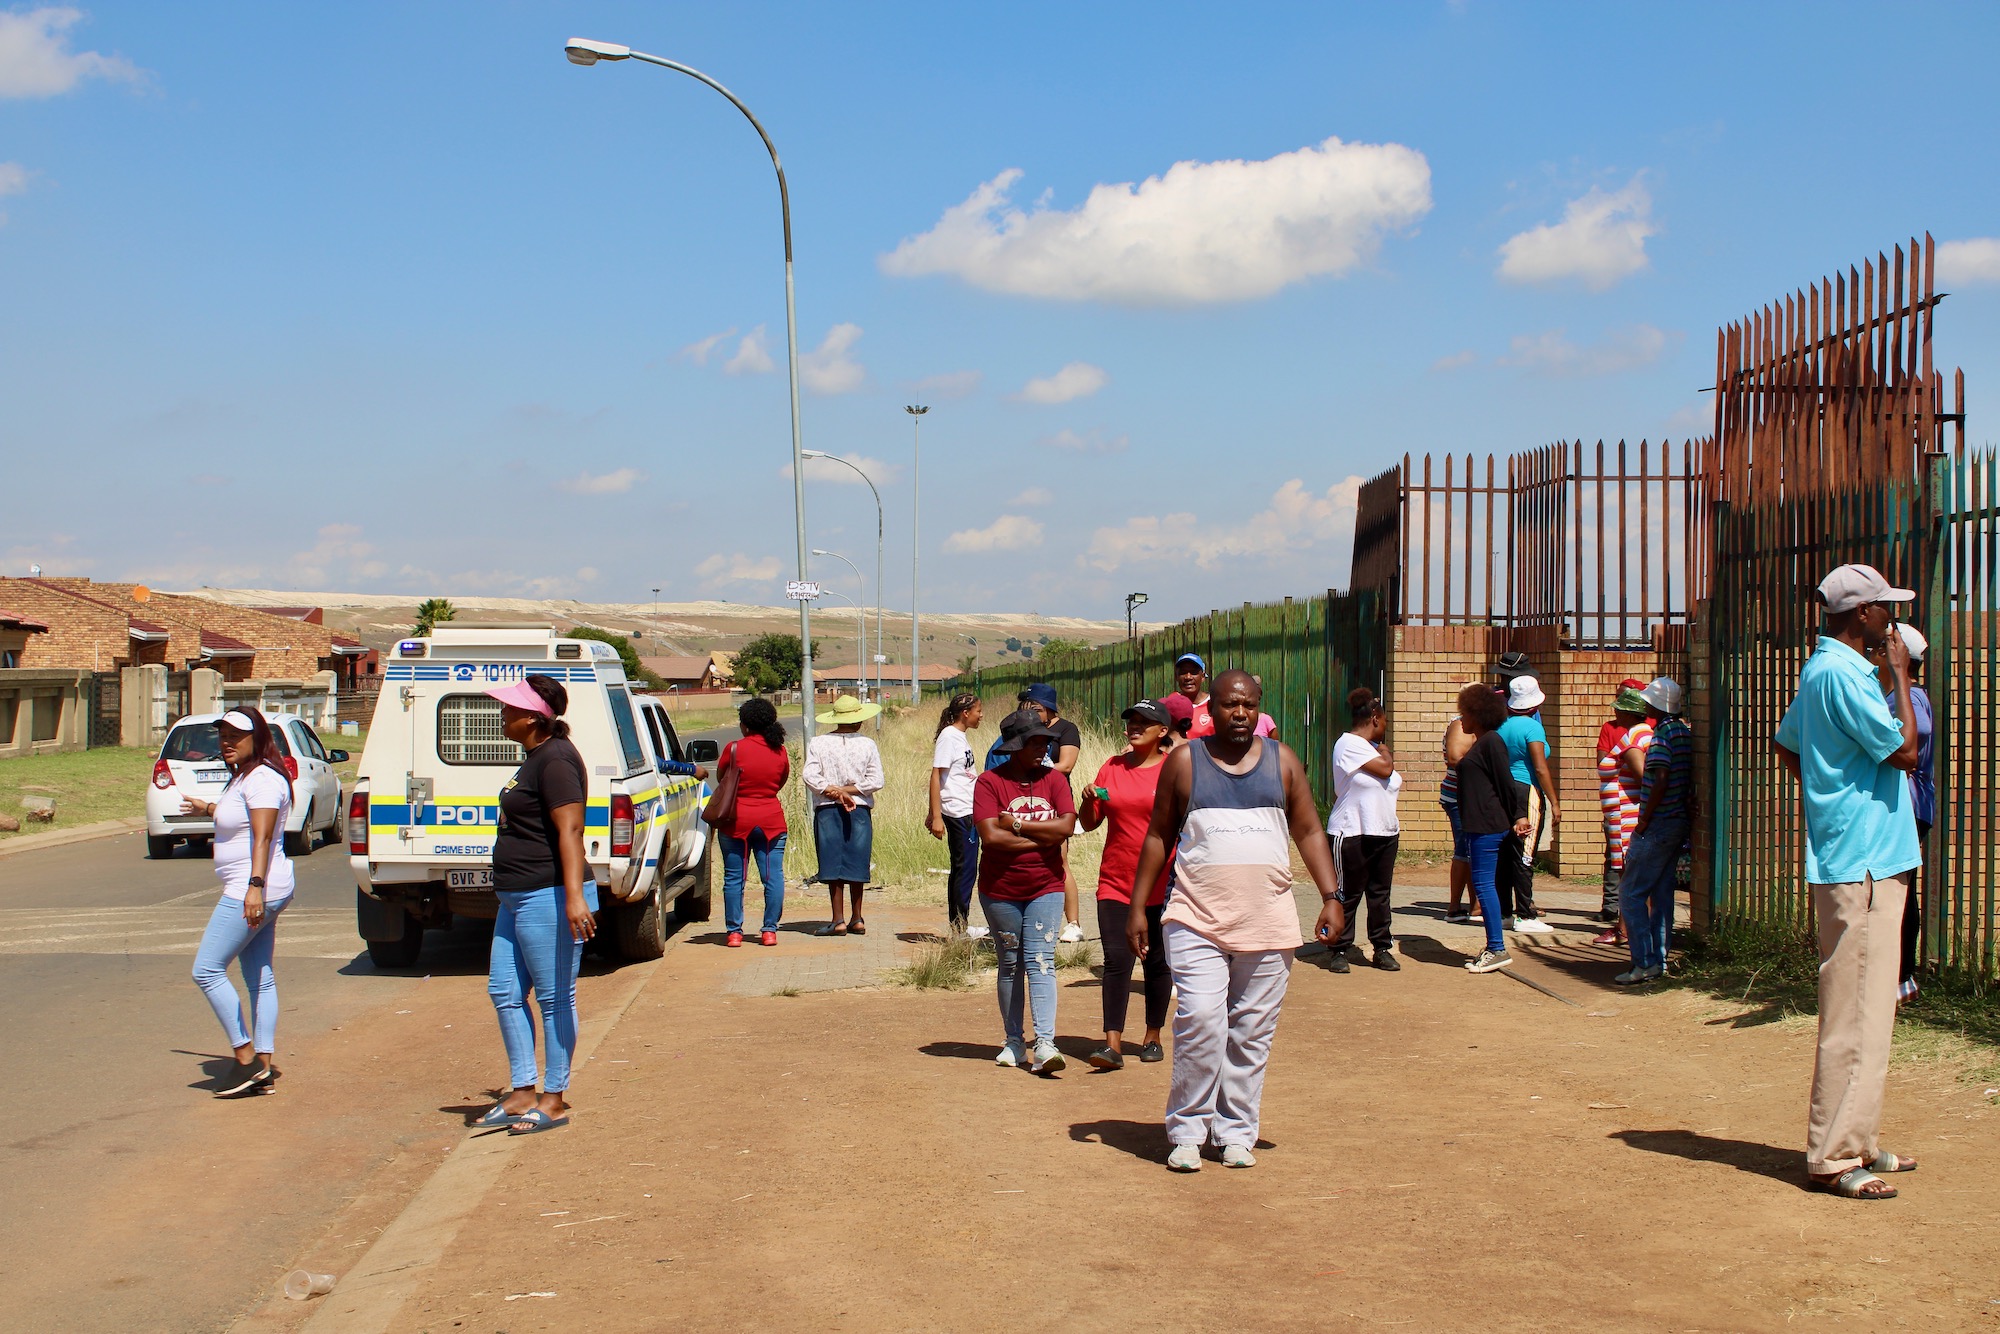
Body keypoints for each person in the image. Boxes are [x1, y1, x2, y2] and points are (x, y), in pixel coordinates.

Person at [1127, 670, 1344, 1171]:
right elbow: (1159, 835)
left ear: (1259, 707)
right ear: (1212, 709)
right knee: (1201, 1020)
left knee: (1251, 1031)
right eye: (1229, 704)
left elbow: (1309, 829)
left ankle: (1236, 1132)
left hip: (1267, 920)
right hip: (1195, 917)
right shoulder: (1185, 761)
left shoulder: (1282, 761)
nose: (1239, 713)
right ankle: (1187, 1129)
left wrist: (1332, 896)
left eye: (1247, 704)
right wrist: (1139, 905)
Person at [1774, 563, 1923, 1199]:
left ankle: (1855, 1139)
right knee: (1856, 1013)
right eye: (1884, 608)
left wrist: (1832, 793)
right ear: (1861, 614)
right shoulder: (1846, 674)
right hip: (1863, 863)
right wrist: (1901, 676)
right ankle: (1835, 1157)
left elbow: (1786, 748)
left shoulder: (1822, 672)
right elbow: (1908, 753)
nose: (1890, 619)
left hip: (1857, 856)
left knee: (1868, 1011)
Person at [481, 675, 596, 1134]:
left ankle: (553, 1098)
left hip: (548, 896)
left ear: (533, 716)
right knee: (503, 992)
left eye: (510, 709)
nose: (502, 715)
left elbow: (570, 831)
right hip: (515, 898)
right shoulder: (533, 758)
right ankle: (522, 1090)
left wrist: (573, 898)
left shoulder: (557, 761)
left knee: (554, 1000)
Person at [186, 708, 296, 1097]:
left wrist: (254, 888)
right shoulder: (246, 777)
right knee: (259, 976)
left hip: (252, 889)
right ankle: (263, 1068)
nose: (227, 741)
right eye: (223, 735)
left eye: (237, 735)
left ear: (258, 739)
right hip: (265, 887)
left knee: (207, 969)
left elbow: (263, 838)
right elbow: (243, 819)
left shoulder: (263, 780)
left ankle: (246, 1057)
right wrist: (208, 809)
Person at [973, 708, 1078, 1074]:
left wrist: (1017, 824)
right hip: (999, 888)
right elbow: (990, 837)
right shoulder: (989, 782)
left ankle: (1045, 1043)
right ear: (1014, 747)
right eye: (1034, 742)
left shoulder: (1055, 781)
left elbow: (1066, 826)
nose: (1043, 748)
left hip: (1046, 886)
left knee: (1041, 961)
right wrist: (1044, 837)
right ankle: (1014, 1042)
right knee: (1011, 962)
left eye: (1045, 741)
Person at [1078, 699, 1175, 1069]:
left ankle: (1152, 1036)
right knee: (1117, 960)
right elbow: (1090, 823)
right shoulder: (1112, 768)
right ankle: (1112, 1045)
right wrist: (1087, 799)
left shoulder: (1173, 770)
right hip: (1116, 882)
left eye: (1143, 722)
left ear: (1162, 732)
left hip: (1163, 884)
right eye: (1131, 721)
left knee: (1156, 962)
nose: (1134, 727)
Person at [1616, 678, 1692, 985]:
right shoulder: (1683, 733)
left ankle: (1644, 961)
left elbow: (1660, 776)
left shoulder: (1662, 735)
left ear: (1657, 705)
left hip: (1658, 823)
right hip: (1676, 822)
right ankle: (1658, 960)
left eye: (1649, 701)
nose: (1645, 705)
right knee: (1661, 893)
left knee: (1630, 893)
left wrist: (1644, 819)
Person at [1452, 682, 1532, 974]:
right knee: (1486, 885)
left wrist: (1519, 815)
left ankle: (1497, 948)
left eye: (1465, 714)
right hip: (1479, 825)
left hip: (1487, 826)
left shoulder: (1492, 743)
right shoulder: (1482, 742)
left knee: (1484, 886)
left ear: (1478, 714)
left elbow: (1506, 783)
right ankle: (1493, 945)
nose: (1461, 719)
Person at [1324, 686, 1403, 973]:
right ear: (1374, 717)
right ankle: (1338, 949)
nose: (1385, 728)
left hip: (1384, 832)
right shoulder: (1347, 744)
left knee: (1380, 895)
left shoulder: (1370, 750)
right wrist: (1384, 750)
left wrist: (1381, 751)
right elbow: (1385, 770)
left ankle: (1382, 948)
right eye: (1384, 721)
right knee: (1348, 893)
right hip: (1351, 832)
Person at [805, 694, 885, 937]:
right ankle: (857, 917)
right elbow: (876, 780)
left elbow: (810, 775)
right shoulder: (867, 744)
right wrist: (849, 791)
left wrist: (834, 791)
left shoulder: (817, 743)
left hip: (827, 808)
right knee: (857, 860)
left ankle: (837, 919)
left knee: (831, 862)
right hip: (859, 809)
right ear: (859, 721)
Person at [717, 697, 791, 949]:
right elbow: (781, 781)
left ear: (745, 725)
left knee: (734, 878)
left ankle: (734, 933)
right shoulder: (779, 750)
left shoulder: (734, 748)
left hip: (736, 821)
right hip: (771, 820)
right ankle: (769, 931)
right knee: (773, 876)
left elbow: (722, 778)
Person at [1019, 683, 1088, 943]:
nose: (1031, 712)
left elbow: (1067, 765)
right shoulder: (1023, 725)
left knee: (1060, 860)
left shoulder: (1066, 729)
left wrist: (1041, 765)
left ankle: (1073, 923)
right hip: (1025, 800)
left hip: (1054, 800)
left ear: (1049, 708)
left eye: (1036, 707)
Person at [1887, 623, 1934, 1003]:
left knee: (1900, 892)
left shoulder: (1909, 698)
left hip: (1907, 804)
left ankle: (1902, 976)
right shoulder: (1905, 695)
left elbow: (1912, 739)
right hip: (1910, 803)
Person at [1593, 679, 1653, 947]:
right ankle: (1629, 926)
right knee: (1630, 871)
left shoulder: (1635, 737)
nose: (1615, 713)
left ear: (1631, 712)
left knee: (1629, 872)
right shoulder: (1638, 733)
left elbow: (1644, 777)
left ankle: (1625, 929)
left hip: (1627, 814)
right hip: (1624, 813)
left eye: (1620, 708)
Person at [1497, 675, 1559, 934]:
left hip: (1505, 791)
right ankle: (1525, 914)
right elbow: (1541, 768)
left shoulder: (1502, 726)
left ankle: (1504, 913)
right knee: (1525, 853)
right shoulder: (1532, 728)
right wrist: (1554, 801)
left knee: (1504, 853)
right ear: (1534, 705)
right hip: (1528, 792)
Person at [927, 692, 986, 939]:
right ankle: (959, 927)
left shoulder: (959, 737)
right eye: (978, 711)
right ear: (965, 713)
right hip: (958, 811)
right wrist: (936, 815)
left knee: (964, 869)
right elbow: (935, 775)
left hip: (967, 809)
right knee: (965, 870)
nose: (980, 715)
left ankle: (959, 924)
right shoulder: (949, 737)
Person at [1440, 709, 1476, 923]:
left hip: (1472, 797)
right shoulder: (1460, 724)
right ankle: (1455, 907)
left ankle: (1475, 905)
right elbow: (1454, 758)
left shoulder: (1477, 723)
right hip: (1459, 796)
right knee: (1464, 849)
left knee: (1471, 849)